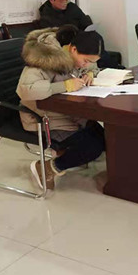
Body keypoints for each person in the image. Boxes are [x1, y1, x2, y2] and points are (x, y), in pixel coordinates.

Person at [17, 28, 106, 190]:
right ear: (73, 49)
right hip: (43, 118)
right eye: (86, 61)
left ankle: (66, 154)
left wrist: (90, 74)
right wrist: (65, 86)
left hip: (69, 113)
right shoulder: (44, 58)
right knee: (92, 147)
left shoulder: (74, 56)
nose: (86, 65)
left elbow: (93, 67)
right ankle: (47, 168)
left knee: (107, 136)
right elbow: (26, 90)